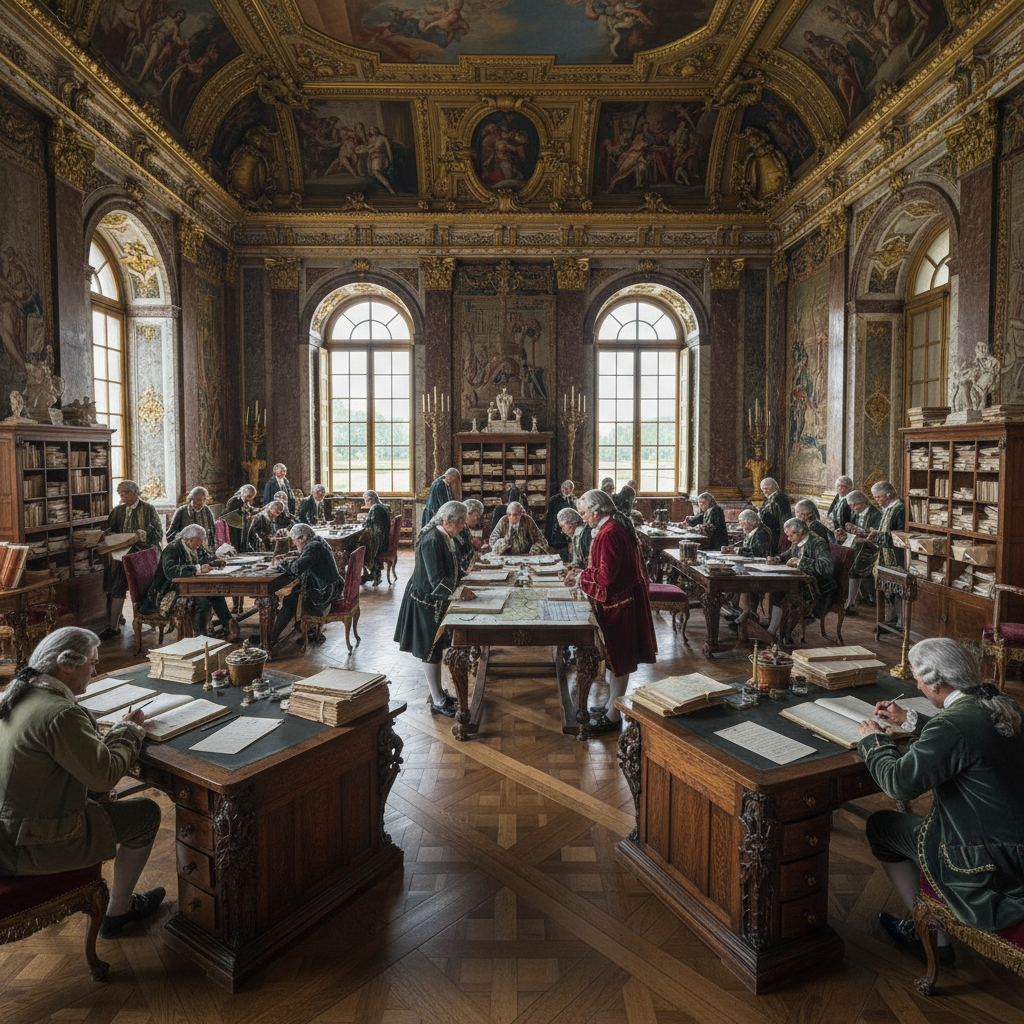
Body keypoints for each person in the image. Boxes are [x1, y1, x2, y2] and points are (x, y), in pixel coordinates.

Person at [856, 639, 1024, 968]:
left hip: (987, 865)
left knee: (881, 827)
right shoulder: (1003, 703)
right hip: (1014, 844)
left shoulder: (953, 724)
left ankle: (934, 938)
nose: (916, 684)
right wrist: (910, 720)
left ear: (935, 683)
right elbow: (965, 740)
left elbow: (899, 784)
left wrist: (873, 741)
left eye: (917, 678)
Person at [0, 627, 165, 938]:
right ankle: (119, 910)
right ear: (66, 665)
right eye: (92, 663)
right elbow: (105, 776)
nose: (95, 672)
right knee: (146, 815)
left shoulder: (19, 696)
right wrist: (127, 732)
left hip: (8, 832)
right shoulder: (60, 713)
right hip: (30, 844)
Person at [577, 489, 657, 733]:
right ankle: (612, 706)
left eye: (584, 513)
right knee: (616, 661)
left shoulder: (610, 532)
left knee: (619, 660)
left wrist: (583, 575)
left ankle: (614, 716)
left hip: (618, 604)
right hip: (619, 601)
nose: (583, 518)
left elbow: (605, 576)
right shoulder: (612, 526)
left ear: (596, 511)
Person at [394, 500, 468, 717]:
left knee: (435, 649)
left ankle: (439, 694)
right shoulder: (432, 540)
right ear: (447, 521)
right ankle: (437, 700)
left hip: (435, 602)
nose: (462, 526)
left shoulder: (443, 536)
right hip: (426, 602)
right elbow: (437, 581)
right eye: (460, 522)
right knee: (430, 650)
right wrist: (460, 593)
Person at [140, 524, 239, 639]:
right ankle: (200, 635)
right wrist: (198, 569)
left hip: (188, 586)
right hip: (168, 590)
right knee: (204, 600)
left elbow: (207, 557)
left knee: (216, 593)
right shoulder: (172, 549)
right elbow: (171, 572)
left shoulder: (195, 546)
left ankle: (228, 626)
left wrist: (218, 561)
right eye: (197, 543)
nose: (198, 546)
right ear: (188, 539)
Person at [99, 480, 165, 641]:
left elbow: (158, 534)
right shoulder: (118, 511)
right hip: (120, 556)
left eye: (124, 494)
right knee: (116, 587)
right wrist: (108, 535)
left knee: (143, 589)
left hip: (141, 557)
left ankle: (150, 619)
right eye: (120, 494)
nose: (122, 497)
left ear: (134, 493)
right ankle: (113, 627)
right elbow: (108, 529)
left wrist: (144, 535)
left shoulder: (148, 509)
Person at [270, 524, 343, 645]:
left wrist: (282, 563)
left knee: (291, 599)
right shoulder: (316, 541)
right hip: (330, 586)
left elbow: (297, 568)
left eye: (295, 540)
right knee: (293, 595)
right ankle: (280, 634)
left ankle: (271, 638)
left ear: (303, 538)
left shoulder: (314, 547)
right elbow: (304, 561)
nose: (294, 544)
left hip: (325, 591)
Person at [766, 517, 835, 638]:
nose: (789, 539)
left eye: (791, 535)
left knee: (787, 595)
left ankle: (784, 632)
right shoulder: (798, 541)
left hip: (818, 587)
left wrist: (800, 562)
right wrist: (775, 559)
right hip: (803, 582)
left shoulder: (818, 543)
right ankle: (774, 629)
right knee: (776, 590)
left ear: (801, 532)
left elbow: (827, 567)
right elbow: (788, 554)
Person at [721, 509, 771, 623]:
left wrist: (736, 550)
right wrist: (731, 547)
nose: (742, 526)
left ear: (751, 522)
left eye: (743, 524)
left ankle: (746, 614)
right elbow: (744, 544)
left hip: (758, 568)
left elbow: (757, 552)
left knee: (738, 577)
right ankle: (736, 611)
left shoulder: (761, 533)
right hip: (748, 565)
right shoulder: (752, 531)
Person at [866, 481, 905, 626]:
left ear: (889, 495)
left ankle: (900, 622)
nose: (877, 500)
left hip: (897, 557)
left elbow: (900, 536)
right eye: (875, 497)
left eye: (879, 497)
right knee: (888, 590)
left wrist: (879, 536)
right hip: (886, 555)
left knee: (898, 590)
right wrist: (876, 534)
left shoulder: (900, 509)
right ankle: (890, 619)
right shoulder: (888, 509)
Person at [835, 489, 880, 615]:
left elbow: (875, 537)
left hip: (870, 548)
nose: (853, 508)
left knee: (854, 569)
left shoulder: (875, 514)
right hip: (856, 545)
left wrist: (861, 534)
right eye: (850, 506)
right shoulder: (855, 512)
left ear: (864, 502)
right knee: (842, 562)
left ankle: (850, 604)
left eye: (855, 505)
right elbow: (853, 530)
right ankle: (851, 600)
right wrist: (844, 532)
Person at [361, 489, 393, 585]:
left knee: (359, 547)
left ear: (371, 500)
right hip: (384, 540)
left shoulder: (375, 507)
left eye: (366, 501)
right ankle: (374, 573)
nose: (366, 503)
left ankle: (372, 573)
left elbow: (366, 523)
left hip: (378, 542)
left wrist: (362, 520)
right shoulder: (385, 506)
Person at [757, 476, 791, 555]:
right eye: (763, 489)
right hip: (768, 532)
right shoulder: (769, 498)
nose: (765, 491)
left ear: (774, 487)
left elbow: (784, 518)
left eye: (766, 489)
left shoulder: (781, 498)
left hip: (775, 533)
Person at [220, 484, 258, 552]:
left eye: (251, 497)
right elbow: (231, 517)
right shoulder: (233, 501)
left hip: (241, 525)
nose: (249, 499)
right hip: (233, 527)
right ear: (243, 493)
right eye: (248, 496)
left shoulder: (245, 501)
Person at [453, 498, 485, 579]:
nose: (477, 521)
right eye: (477, 517)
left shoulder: (466, 528)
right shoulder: (458, 528)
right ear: (467, 514)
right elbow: (459, 554)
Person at [557, 507, 592, 579]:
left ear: (572, 523)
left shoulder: (581, 534)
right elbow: (578, 562)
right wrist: (568, 569)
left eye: (563, 526)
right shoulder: (578, 534)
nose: (563, 530)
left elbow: (584, 564)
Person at [545, 480, 575, 562]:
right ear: (562, 489)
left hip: (568, 533)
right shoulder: (554, 500)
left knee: (567, 557)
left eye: (570, 489)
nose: (567, 490)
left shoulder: (573, 500)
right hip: (556, 532)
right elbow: (549, 519)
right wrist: (547, 538)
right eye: (565, 488)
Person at [826, 475, 854, 541]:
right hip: (835, 527)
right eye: (838, 486)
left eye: (841, 486)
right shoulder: (838, 496)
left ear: (848, 488)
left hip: (844, 531)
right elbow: (831, 510)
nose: (839, 488)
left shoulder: (851, 499)